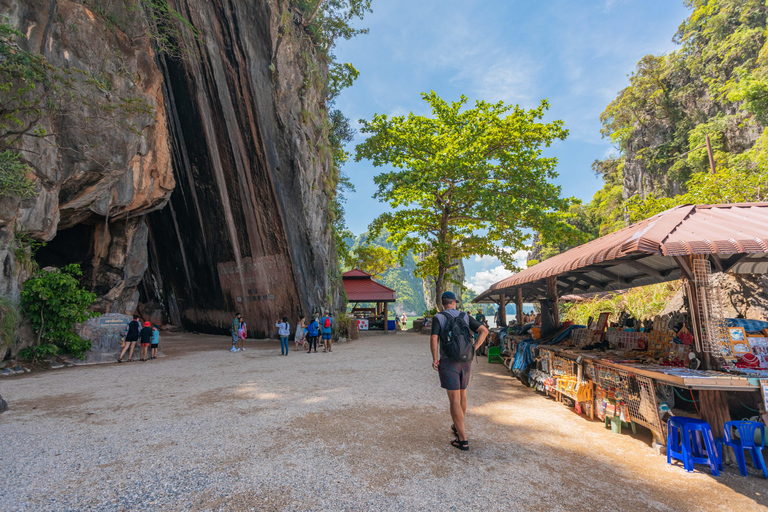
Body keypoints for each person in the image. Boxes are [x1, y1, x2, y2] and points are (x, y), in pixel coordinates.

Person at [430, 291, 488, 451]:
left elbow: (434, 338)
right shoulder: (465, 316)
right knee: (463, 394)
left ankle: (462, 440)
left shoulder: (439, 317)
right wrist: (473, 349)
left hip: (449, 362)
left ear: (443, 303)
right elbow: (484, 331)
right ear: (455, 302)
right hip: (465, 361)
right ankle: (458, 426)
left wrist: (435, 358)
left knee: (454, 399)